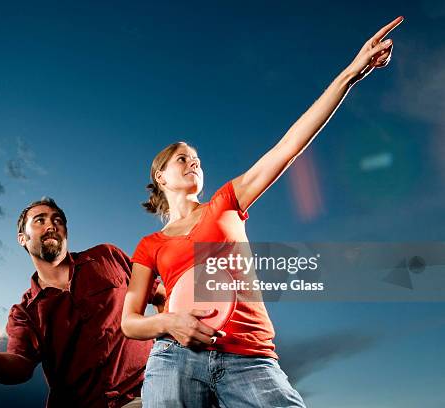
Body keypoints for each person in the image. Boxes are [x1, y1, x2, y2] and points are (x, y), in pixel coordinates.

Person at [121, 16, 404, 407]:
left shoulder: (226, 203)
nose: (194, 163)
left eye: (198, 159)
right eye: (183, 159)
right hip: (175, 360)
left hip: (249, 359)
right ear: (160, 176)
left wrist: (350, 75)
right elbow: (129, 321)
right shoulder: (150, 244)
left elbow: (289, 145)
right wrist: (167, 321)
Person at [0, 197, 165, 408]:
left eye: (58, 220)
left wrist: (174, 351)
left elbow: (161, 294)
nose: (51, 225)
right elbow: (21, 365)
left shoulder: (107, 256)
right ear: (22, 239)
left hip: (146, 395)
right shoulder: (25, 313)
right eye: (39, 220)